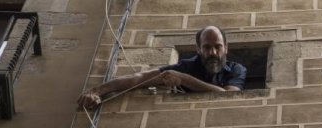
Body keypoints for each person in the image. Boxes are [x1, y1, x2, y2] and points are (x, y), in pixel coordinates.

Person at [77, 25, 246, 109]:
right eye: (207, 47)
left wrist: (183, 79)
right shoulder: (186, 66)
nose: (213, 52)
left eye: (218, 46)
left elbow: (229, 97)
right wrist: (96, 92)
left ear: (226, 48)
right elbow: (140, 78)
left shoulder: (237, 69)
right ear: (198, 49)